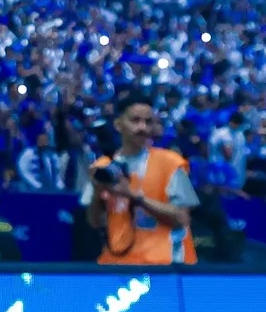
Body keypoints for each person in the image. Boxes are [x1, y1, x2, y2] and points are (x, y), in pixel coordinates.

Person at [82, 92, 198, 265]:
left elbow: (182, 218)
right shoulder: (103, 167)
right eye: (135, 120)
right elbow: (94, 222)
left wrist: (134, 197)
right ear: (118, 124)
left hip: (163, 265)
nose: (142, 127)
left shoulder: (171, 162)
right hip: (117, 263)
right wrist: (97, 192)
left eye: (148, 122)